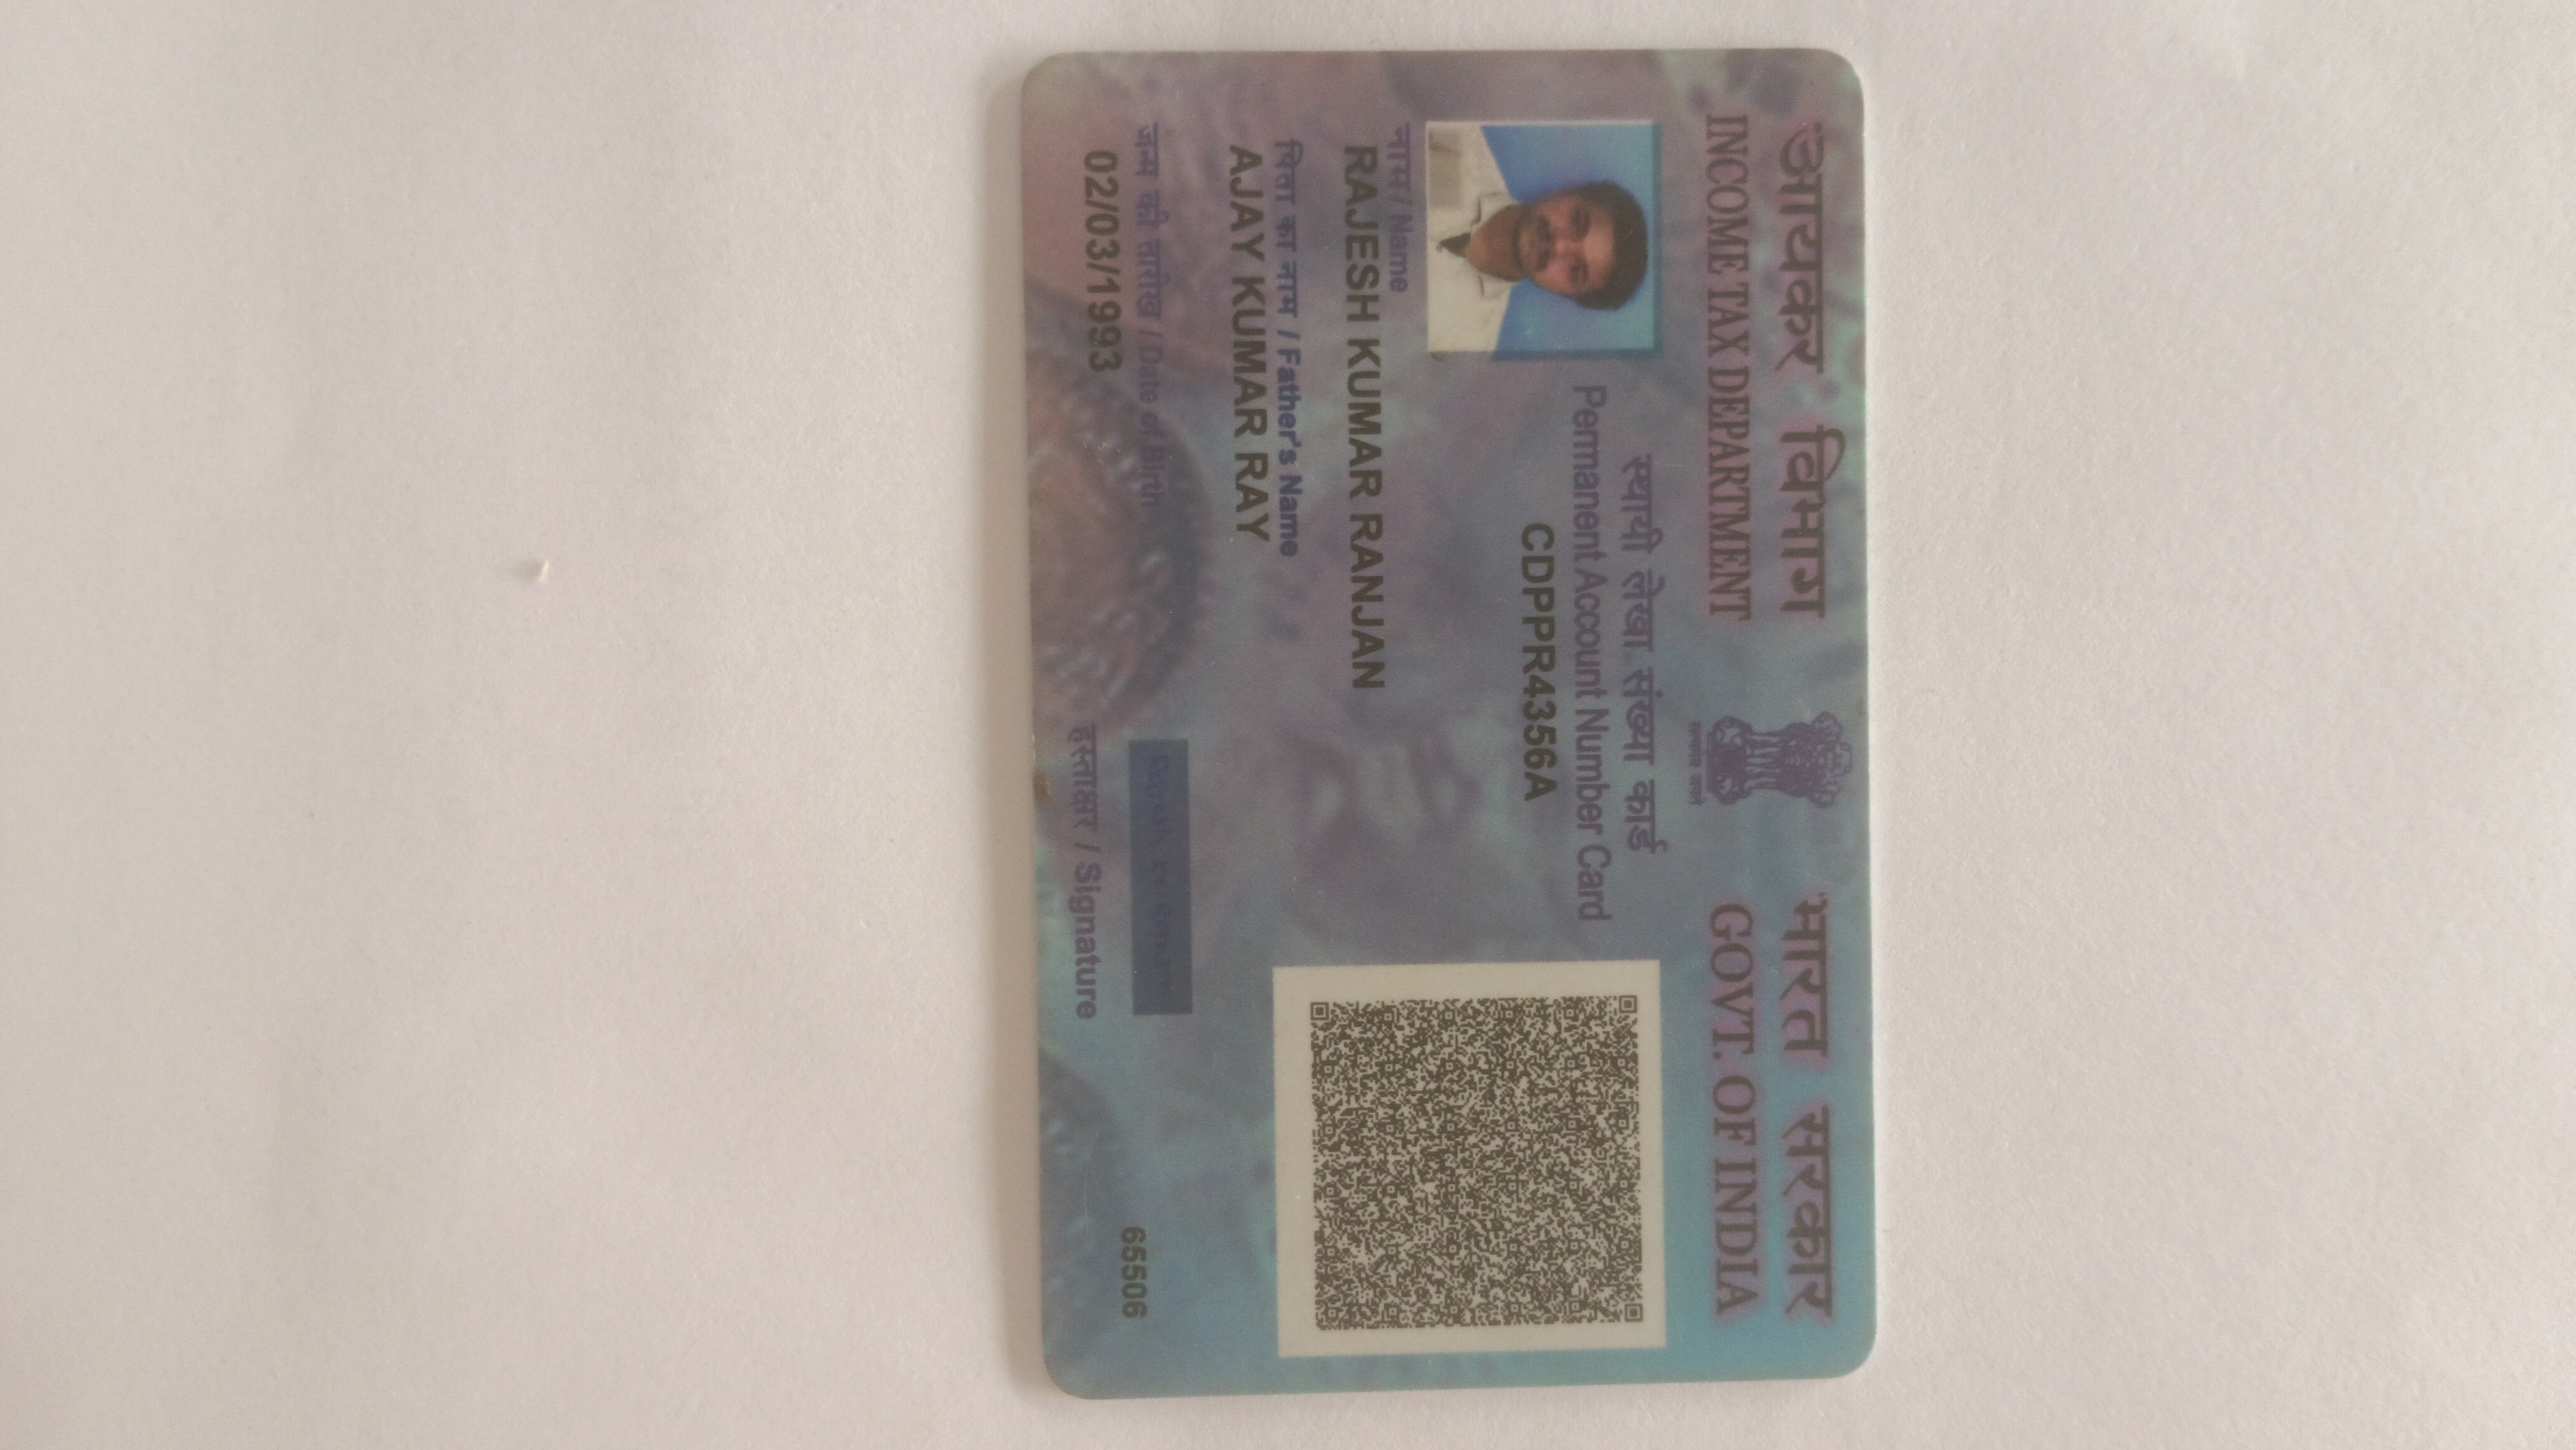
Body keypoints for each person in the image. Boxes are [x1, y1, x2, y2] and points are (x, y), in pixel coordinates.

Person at [1426, 123, 1649, 353]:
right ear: (1564, 193)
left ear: (1564, 294)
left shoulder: (1469, 339)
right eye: (1576, 223)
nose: (1560, 245)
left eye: (1575, 271)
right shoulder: (1457, 144)